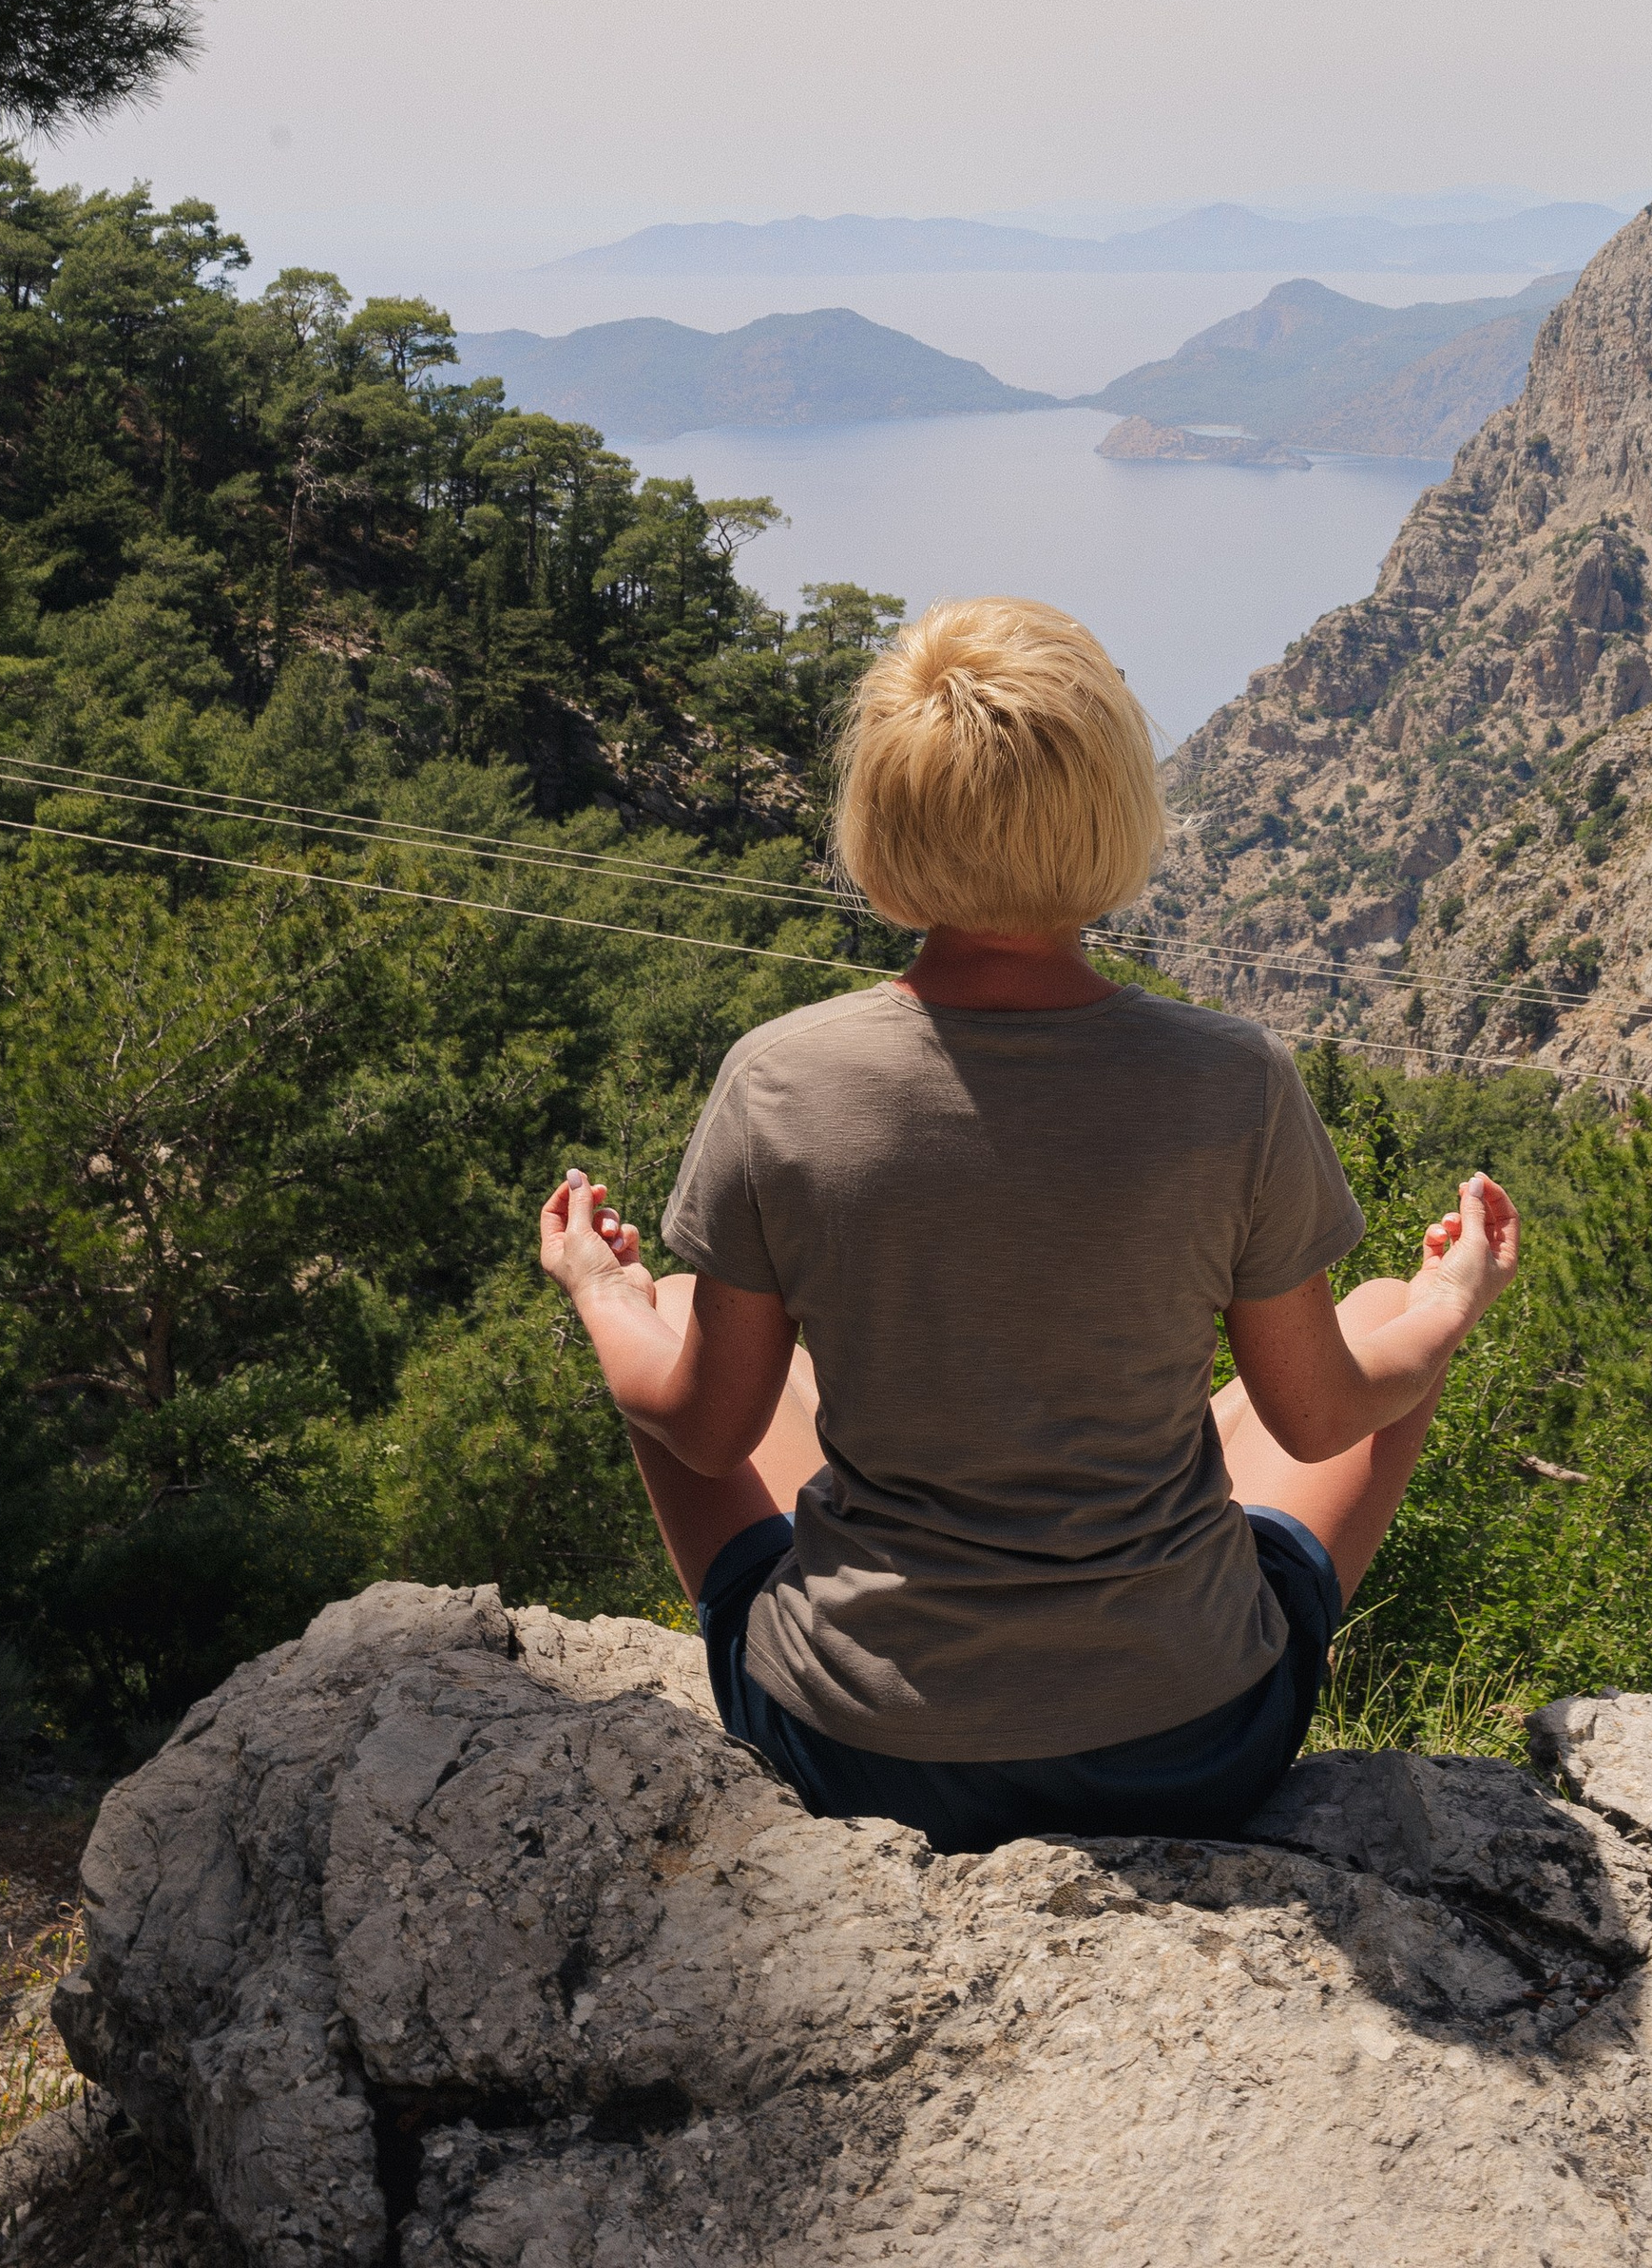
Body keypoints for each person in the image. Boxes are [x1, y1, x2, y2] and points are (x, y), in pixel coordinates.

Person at [538, 593, 1519, 1853]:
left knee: (672, 1319)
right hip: (1193, 1744)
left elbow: (707, 1425)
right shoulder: (1231, 1081)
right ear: (1117, 817)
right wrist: (1451, 1302)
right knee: (1384, 1320)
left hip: (852, 1749)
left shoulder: (780, 1081)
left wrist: (596, 1289)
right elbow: (1319, 1419)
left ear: (879, 836)